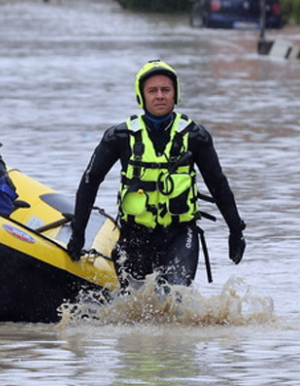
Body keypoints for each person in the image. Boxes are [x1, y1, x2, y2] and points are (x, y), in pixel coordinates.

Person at [66, 60, 247, 287]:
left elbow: (217, 184)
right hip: (135, 236)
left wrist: (235, 230)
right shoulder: (119, 137)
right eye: (152, 90)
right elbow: (90, 181)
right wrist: (78, 233)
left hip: (180, 234)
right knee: (135, 302)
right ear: (141, 96)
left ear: (175, 94)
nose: (159, 96)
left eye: (166, 90)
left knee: (175, 294)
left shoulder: (195, 136)